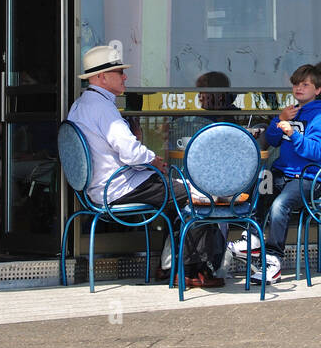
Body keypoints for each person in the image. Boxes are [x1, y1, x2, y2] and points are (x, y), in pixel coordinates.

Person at [67, 45, 225, 289]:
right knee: (198, 197)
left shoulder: (80, 105)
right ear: (101, 77)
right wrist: (154, 159)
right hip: (119, 186)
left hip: (99, 187)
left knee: (179, 194)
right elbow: (130, 152)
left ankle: (168, 267)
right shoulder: (104, 109)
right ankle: (189, 271)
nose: (125, 76)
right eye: (119, 72)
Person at [234, 63, 321, 284]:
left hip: (310, 178)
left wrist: (293, 134)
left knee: (280, 205)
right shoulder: (291, 112)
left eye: (305, 84)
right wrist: (279, 119)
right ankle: (252, 241)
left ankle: (274, 261)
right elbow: (271, 140)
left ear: (317, 90)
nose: (299, 88)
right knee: (259, 187)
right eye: (296, 84)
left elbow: (317, 151)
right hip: (283, 174)